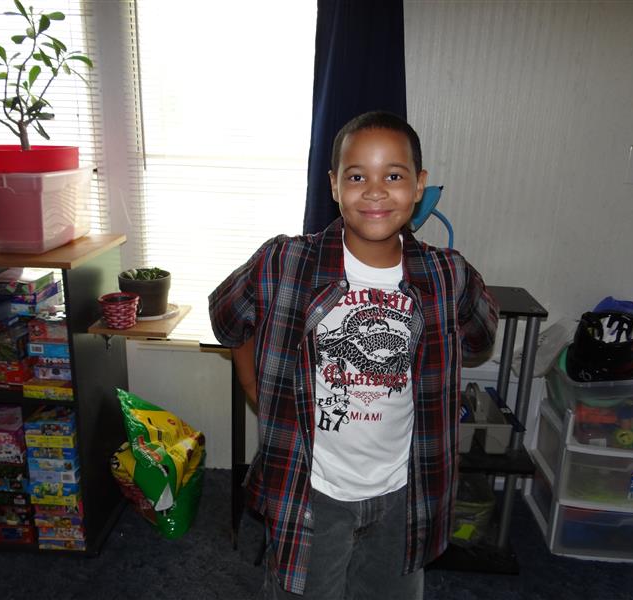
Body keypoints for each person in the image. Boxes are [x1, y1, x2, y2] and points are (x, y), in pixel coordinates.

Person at [209, 111, 498, 599]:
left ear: (420, 185)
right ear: (334, 185)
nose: (375, 191)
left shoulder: (447, 274)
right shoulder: (285, 261)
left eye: (394, 176)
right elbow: (227, 317)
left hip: (404, 490)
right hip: (312, 490)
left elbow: (479, 337)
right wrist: (250, 381)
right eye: (358, 176)